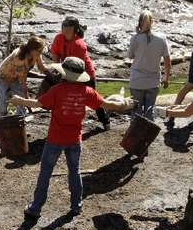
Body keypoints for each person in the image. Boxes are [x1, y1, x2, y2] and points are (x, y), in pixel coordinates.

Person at [10, 57, 133, 218]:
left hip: (55, 139)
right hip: (74, 139)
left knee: (45, 172)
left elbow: (37, 104)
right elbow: (107, 105)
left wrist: (19, 100)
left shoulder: (57, 90)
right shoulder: (87, 92)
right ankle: (76, 205)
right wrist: (126, 104)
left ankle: (35, 208)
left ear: (64, 73)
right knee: (74, 171)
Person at [0, 36, 47, 145]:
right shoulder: (19, 57)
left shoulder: (36, 54)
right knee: (3, 107)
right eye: (39, 51)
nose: (41, 53)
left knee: (21, 107)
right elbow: (23, 84)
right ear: (32, 50)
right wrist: (28, 102)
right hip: (3, 79)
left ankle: (18, 130)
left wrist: (51, 74)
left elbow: (42, 68)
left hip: (15, 78)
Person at [50, 17, 108, 129]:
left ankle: (106, 122)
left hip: (85, 74)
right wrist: (57, 68)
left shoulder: (79, 44)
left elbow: (76, 66)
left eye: (69, 26)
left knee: (94, 101)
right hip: (67, 71)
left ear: (75, 29)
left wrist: (64, 76)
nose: (65, 28)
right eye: (64, 25)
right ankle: (66, 123)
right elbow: (55, 53)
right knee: (66, 98)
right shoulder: (59, 38)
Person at [128, 11, 171, 117]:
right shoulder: (161, 38)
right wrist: (166, 78)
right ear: (152, 22)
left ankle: (135, 133)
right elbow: (167, 62)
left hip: (137, 80)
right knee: (149, 111)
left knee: (136, 111)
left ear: (139, 22)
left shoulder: (135, 38)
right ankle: (149, 133)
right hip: (153, 81)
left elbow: (130, 56)